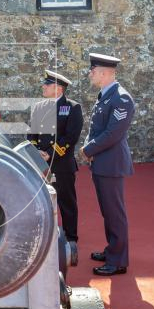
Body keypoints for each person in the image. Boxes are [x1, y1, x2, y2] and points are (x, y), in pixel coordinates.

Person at [79, 53, 134, 276]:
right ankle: (113, 249)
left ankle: (118, 260)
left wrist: (88, 149)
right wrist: (88, 146)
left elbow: (113, 133)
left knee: (114, 212)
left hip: (111, 164)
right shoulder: (106, 96)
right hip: (102, 162)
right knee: (107, 211)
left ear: (104, 73)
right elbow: (96, 129)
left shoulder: (121, 98)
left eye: (93, 71)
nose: (90, 75)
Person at [27, 70, 83, 245]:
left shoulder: (72, 107)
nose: (43, 86)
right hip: (40, 164)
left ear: (59, 89)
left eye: (47, 84)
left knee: (66, 202)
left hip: (61, 164)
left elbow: (70, 136)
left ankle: (71, 238)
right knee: (40, 202)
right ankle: (42, 236)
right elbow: (32, 134)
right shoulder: (39, 107)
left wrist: (50, 153)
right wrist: (36, 152)